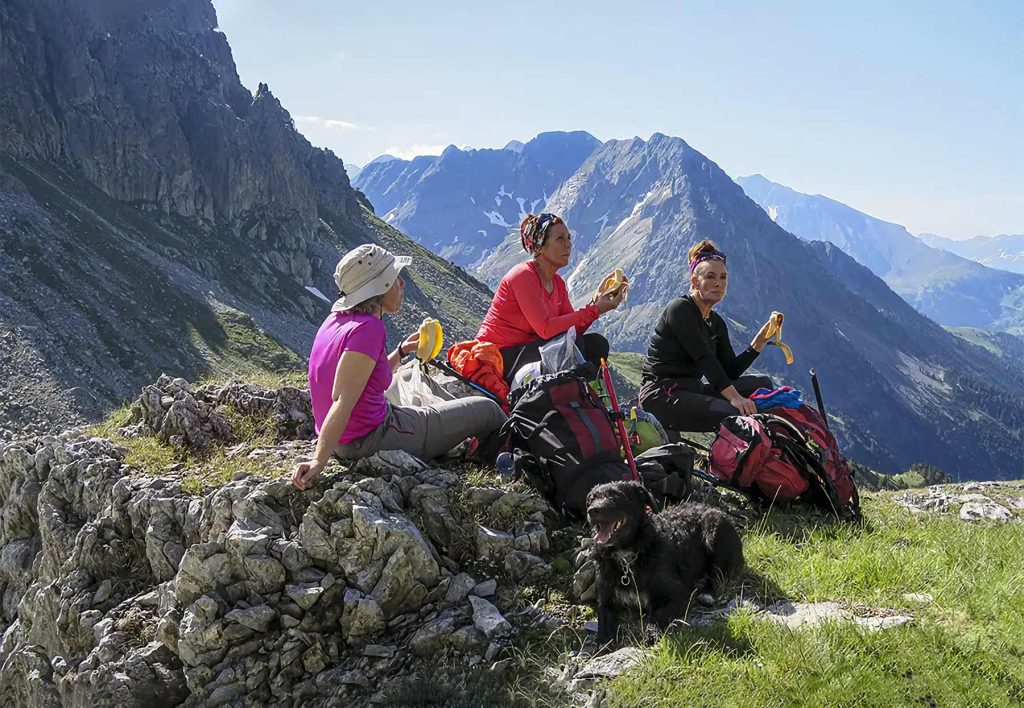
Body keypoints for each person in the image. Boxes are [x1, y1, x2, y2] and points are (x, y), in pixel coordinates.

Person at [292, 244, 507, 490]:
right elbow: (342, 399)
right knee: (488, 410)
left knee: (407, 376)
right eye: (395, 278)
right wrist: (319, 460)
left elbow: (368, 376)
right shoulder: (369, 330)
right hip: (371, 437)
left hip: (348, 436)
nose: (402, 284)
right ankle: (513, 464)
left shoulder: (335, 321)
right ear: (380, 287)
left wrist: (403, 350)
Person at [638, 240, 777, 432]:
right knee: (733, 413)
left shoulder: (716, 322)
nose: (718, 283)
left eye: (723, 277)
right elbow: (705, 358)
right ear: (695, 281)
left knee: (764, 385)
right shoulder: (680, 309)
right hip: (662, 395)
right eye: (710, 276)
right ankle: (729, 460)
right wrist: (735, 397)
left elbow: (729, 372)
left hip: (693, 390)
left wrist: (758, 342)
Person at [476, 213, 625, 382]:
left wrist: (596, 302)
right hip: (499, 356)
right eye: (560, 239)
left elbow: (571, 331)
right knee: (570, 347)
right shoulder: (523, 276)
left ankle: (579, 399)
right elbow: (545, 329)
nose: (568, 245)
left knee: (596, 344)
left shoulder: (557, 283)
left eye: (568, 238)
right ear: (539, 246)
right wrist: (595, 309)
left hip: (525, 352)